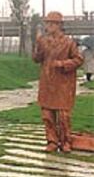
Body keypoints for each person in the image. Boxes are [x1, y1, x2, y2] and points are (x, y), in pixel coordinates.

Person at [32, 11, 84, 153]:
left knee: (63, 116)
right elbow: (36, 59)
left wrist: (62, 63)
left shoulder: (69, 42)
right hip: (47, 83)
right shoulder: (43, 41)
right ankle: (52, 141)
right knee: (47, 115)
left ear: (59, 25)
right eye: (47, 23)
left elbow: (79, 59)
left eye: (51, 23)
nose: (48, 26)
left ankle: (65, 141)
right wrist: (37, 45)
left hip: (63, 84)